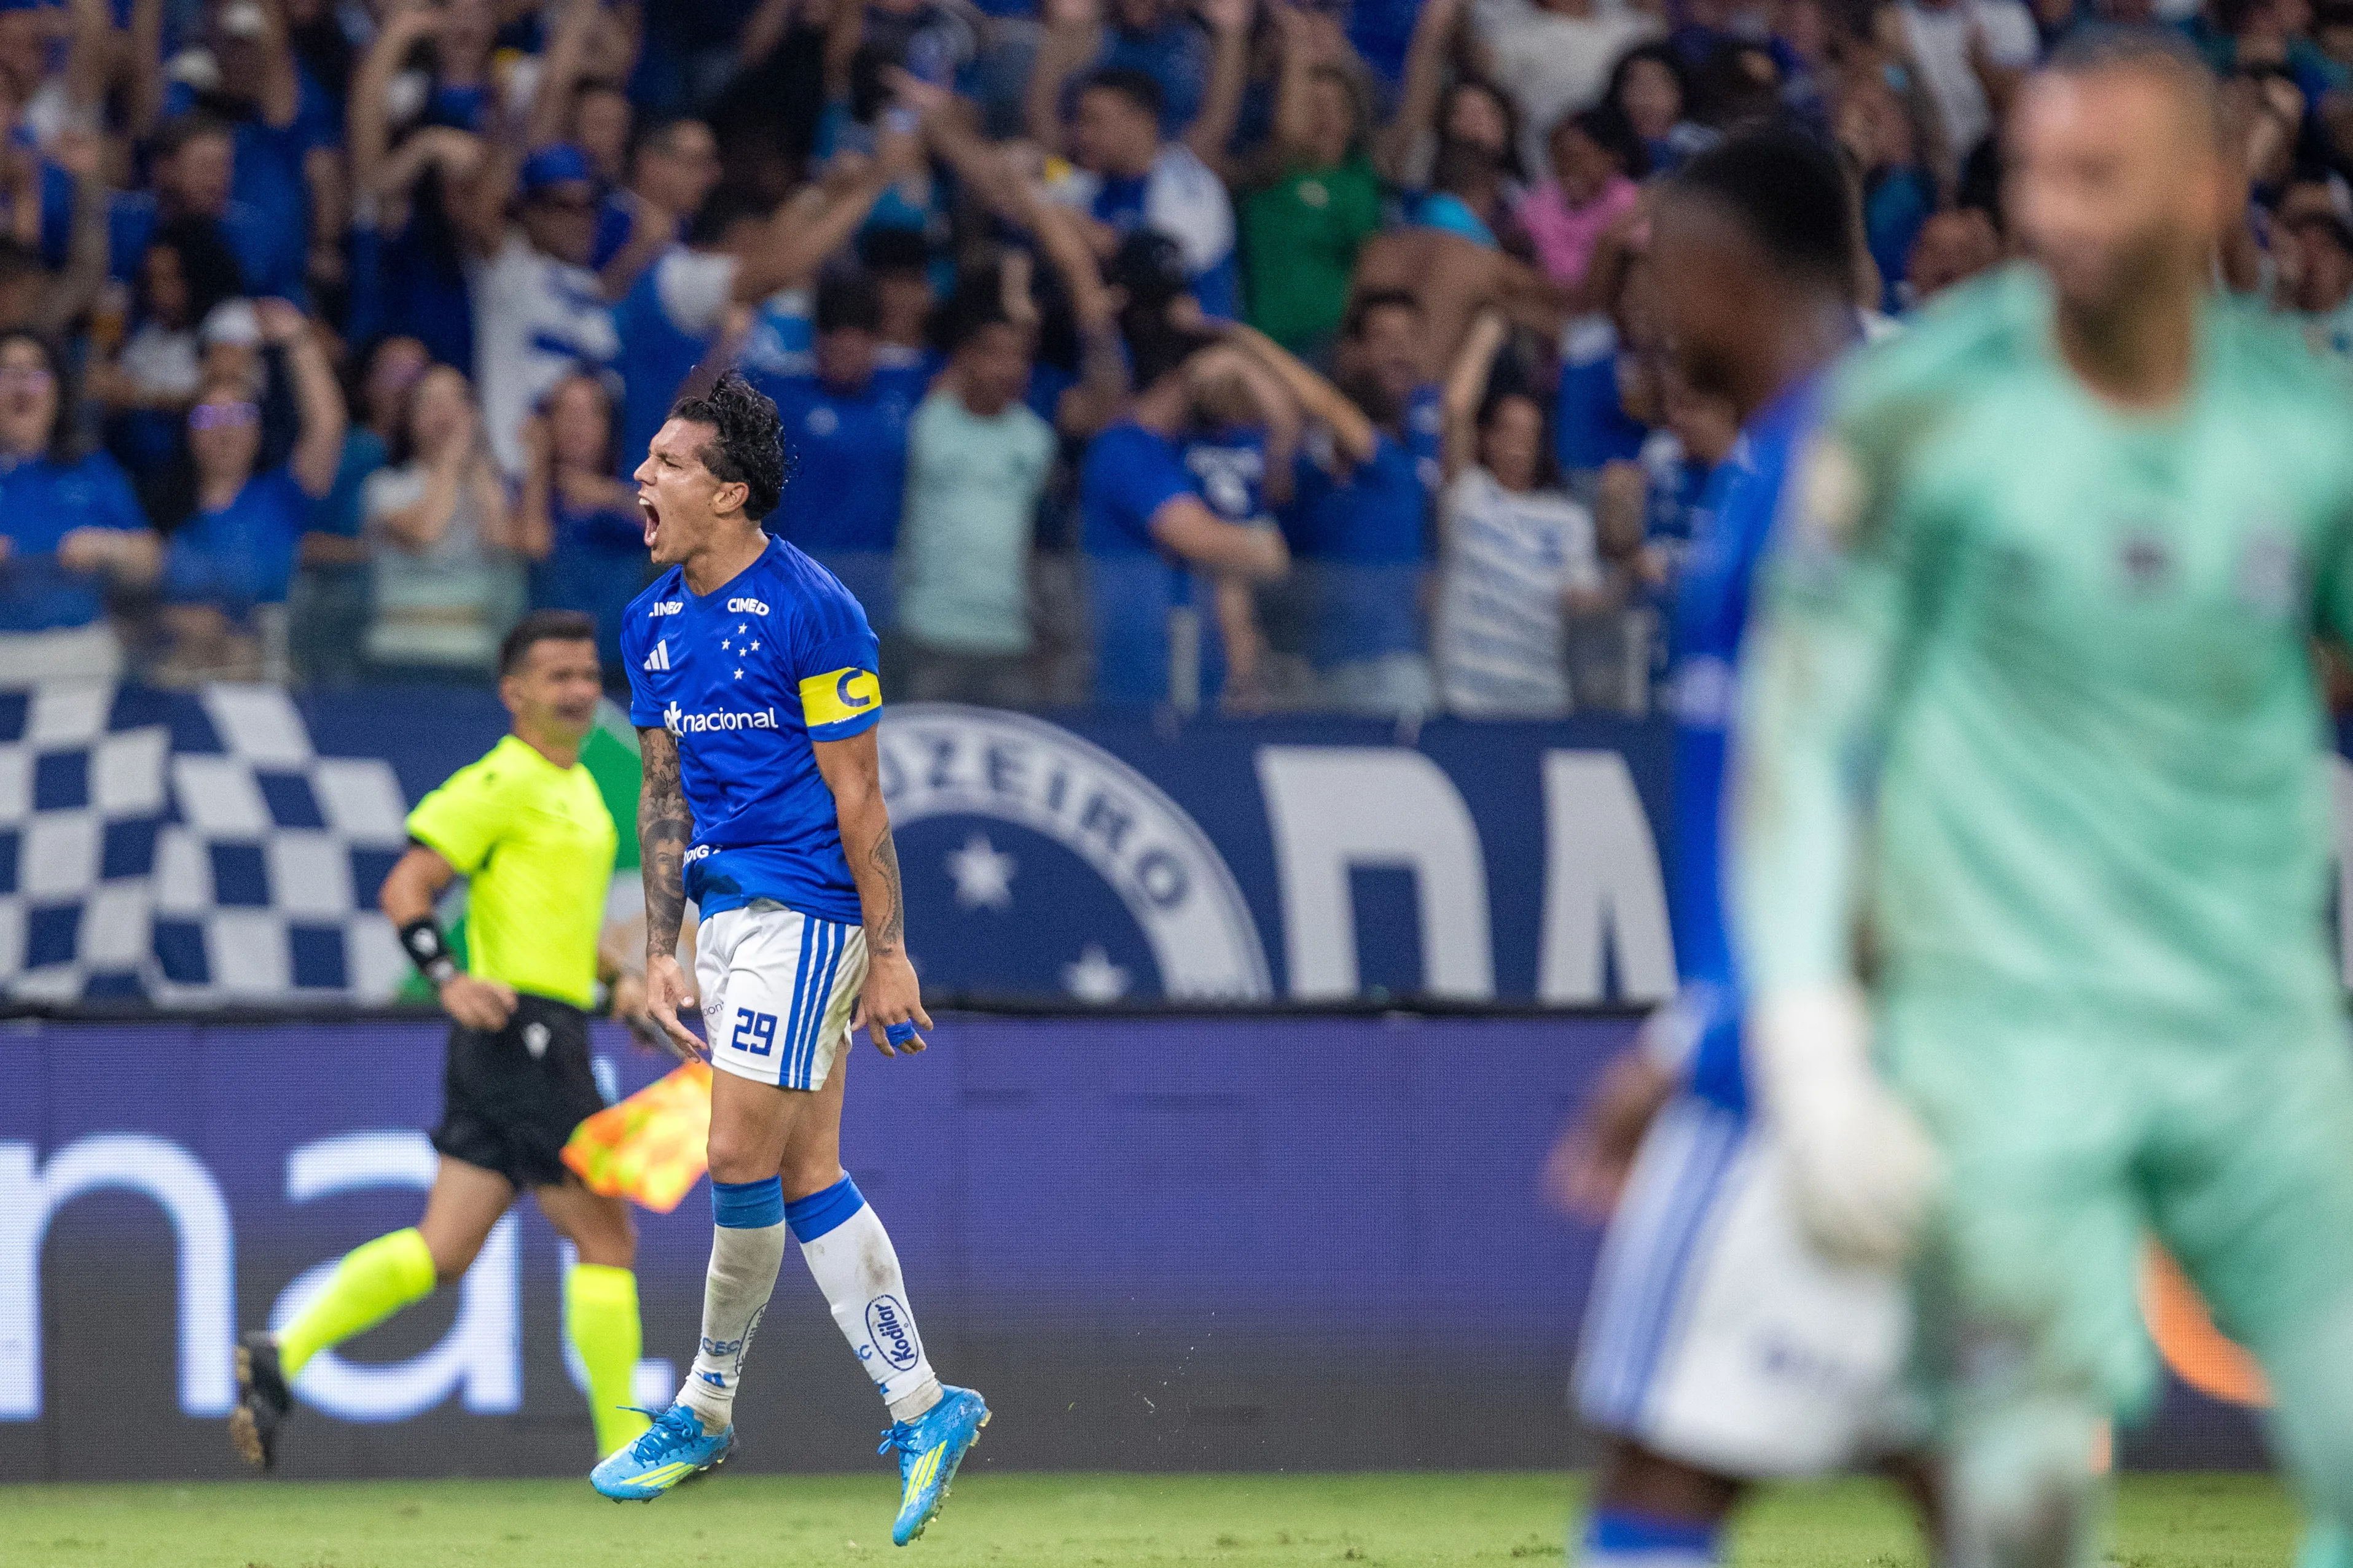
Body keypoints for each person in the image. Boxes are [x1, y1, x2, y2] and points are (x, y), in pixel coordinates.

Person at [1736, 37, 2353, 1567]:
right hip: (2000, 1036)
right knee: (2016, 1500)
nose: (2050, 213)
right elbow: (1800, 735)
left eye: (2096, 177)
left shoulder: (2306, 429)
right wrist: (1808, 1038)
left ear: (2205, 189)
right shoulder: (1917, 412)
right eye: (2032, 174)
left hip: (2257, 1034)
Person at [1550, 128, 1911, 1568]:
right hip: (1932, 1056)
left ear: (1723, 270)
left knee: (1656, 1460)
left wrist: (1694, 1034)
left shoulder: (1827, 480)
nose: (1645, 309)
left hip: (1789, 1067)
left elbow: (1885, 792)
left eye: (1659, 270)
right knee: (1968, 1470)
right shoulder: (1828, 455)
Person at [592, 372, 989, 1546]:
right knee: (808, 1170)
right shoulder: (648, 621)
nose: (641, 477)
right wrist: (663, 948)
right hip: (726, 920)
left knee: (733, 1149)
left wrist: (892, 952)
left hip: (808, 910)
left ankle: (705, 1403)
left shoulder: (816, 610)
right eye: (647, 459)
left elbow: (860, 794)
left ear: (731, 491)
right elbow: (664, 795)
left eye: (668, 463)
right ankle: (923, 1403)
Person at [230, 611, 653, 1472]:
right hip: (524, 1035)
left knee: (446, 1247)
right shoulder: (499, 780)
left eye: (587, 675)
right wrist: (449, 978)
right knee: (607, 1241)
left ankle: (286, 1350)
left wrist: (619, 983)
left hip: (530, 1034)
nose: (579, 691)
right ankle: (626, 1447)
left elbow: (552, 922)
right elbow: (405, 888)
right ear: (514, 693)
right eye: (559, 677)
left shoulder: (577, 786)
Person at [1080, 341, 1292, 706]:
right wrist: (1264, 544)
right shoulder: (1125, 447)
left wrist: (1244, 364)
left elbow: (1285, 428)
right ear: (1173, 380)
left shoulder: (1191, 449)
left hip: (1199, 675)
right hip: (1140, 677)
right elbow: (1199, 538)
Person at [156, 297, 346, 684]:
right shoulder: (161, 504)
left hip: (263, 670)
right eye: (208, 416)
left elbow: (326, 428)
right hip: (182, 673)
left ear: (258, 431)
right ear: (189, 433)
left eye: (239, 414)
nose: (224, 429)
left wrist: (298, 340)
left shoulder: (280, 497)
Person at [1431, 312, 1603, 717]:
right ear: (1487, 437)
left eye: (1529, 435)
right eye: (1508, 432)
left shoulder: (1569, 519)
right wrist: (1487, 330)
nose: (1518, 445)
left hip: (1541, 703)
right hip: (1465, 702)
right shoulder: (1468, 495)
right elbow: (1456, 409)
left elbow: (1586, 601)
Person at [893, 287, 1056, 704]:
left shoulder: (1036, 439)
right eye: (995, 354)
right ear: (965, 358)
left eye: (1018, 357)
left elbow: (1042, 540)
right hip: (930, 628)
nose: (1007, 368)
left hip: (1010, 636)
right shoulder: (926, 423)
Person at [753, 273, 928, 630]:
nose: (847, 355)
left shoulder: (905, 391)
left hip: (879, 597)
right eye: (835, 342)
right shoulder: (782, 397)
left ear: (875, 344)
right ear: (818, 342)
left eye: (859, 343)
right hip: (799, 593)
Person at [0, 328, 161, 682]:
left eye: (35, 373)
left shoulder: (91, 468)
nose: (22, 387)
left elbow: (151, 560)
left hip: (80, 649)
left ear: (57, 390)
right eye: (7, 373)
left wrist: (108, 546)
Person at [361, 361, 524, 678]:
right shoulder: (384, 486)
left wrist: (479, 467)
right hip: (399, 652)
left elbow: (503, 546)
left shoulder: (490, 486)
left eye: (455, 401)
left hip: (475, 651)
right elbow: (426, 534)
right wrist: (451, 459)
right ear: (410, 418)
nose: (444, 413)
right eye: (431, 402)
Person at [519, 370, 650, 683]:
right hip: (552, 670)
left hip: (626, 670)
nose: (576, 424)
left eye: (589, 413)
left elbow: (679, 535)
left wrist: (610, 496)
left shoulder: (636, 488)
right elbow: (533, 546)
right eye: (565, 412)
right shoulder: (533, 493)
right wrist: (538, 464)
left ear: (608, 426)